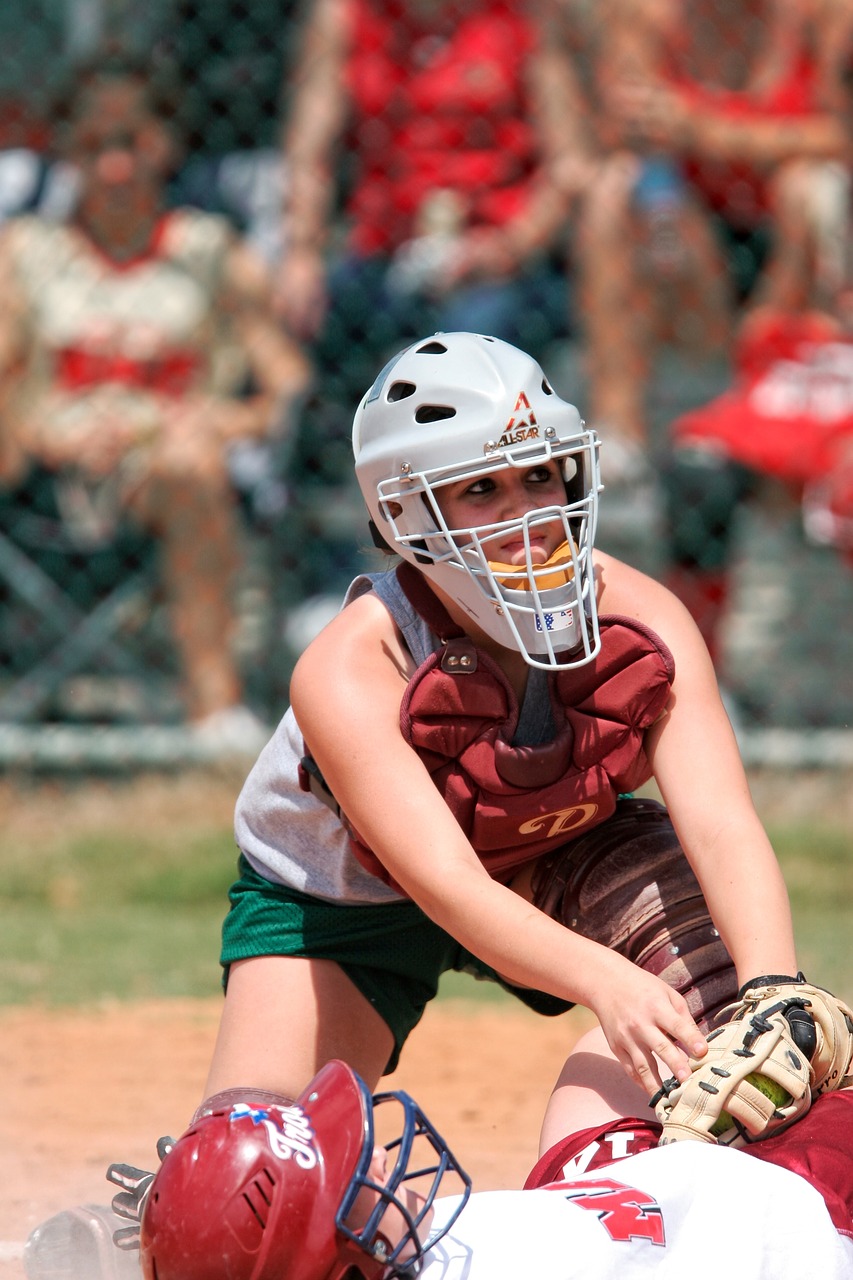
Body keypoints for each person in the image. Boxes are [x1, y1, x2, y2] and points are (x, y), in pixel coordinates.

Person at [198, 329, 812, 1109]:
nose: (527, 515)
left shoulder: (636, 615)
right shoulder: (352, 663)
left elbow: (721, 822)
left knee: (736, 1041)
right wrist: (607, 982)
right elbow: (447, 882)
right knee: (253, 1169)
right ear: (406, 515)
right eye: (480, 490)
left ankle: (619, 1183)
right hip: (341, 894)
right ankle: (144, 1211)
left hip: (558, 846)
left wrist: (772, 993)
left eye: (539, 476)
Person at [0, 54, 310, 739]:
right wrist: (35, 428)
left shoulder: (208, 251)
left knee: (189, 461)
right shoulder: (25, 252)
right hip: (41, 474)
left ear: (167, 144)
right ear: (65, 151)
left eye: (132, 141)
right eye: (92, 145)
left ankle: (212, 708)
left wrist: (221, 420)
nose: (115, 166)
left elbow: (287, 388)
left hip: (162, 469)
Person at [272, 0, 595, 607]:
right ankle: (322, 564)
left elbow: (571, 165)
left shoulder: (521, 17)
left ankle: (478, 569)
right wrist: (300, 253)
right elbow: (309, 150)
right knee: (312, 324)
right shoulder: (349, 18)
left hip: (497, 253)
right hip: (385, 250)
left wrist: (506, 246)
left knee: (472, 341)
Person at [102, 1054, 853, 1280]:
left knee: (605, 1054)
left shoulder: (407, 1251)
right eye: (354, 1193)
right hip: (796, 1214)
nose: (382, 1170)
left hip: (608, 1196)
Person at [570, 0, 848, 496]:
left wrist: (712, 133)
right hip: (701, 237)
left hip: (793, 240)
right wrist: (640, 131)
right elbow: (616, 134)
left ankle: (791, 434)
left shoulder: (820, 15)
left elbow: (843, 135)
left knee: (808, 188)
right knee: (613, 194)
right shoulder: (646, 18)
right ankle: (620, 433)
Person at [661, 12, 853, 667]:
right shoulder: (813, 192)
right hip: (819, 387)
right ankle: (697, 681)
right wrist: (802, 325)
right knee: (698, 466)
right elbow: (765, 324)